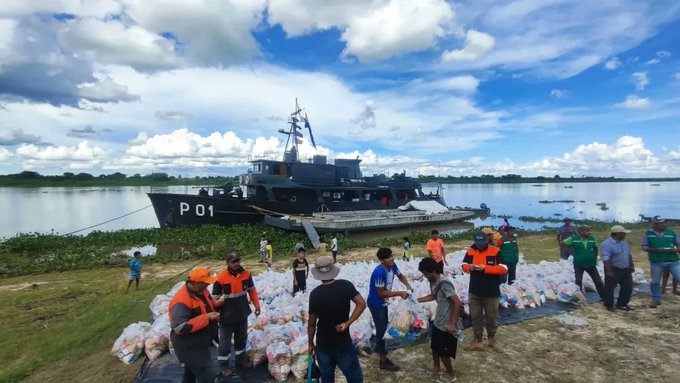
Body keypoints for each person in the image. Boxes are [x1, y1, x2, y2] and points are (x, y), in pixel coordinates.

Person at [308, 256, 366, 383]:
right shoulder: (346, 286)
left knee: (327, 377)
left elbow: (311, 323)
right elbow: (361, 304)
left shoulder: (315, 294)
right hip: (342, 340)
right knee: (354, 377)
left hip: (323, 342)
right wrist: (347, 323)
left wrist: (310, 343)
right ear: (333, 269)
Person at [169, 267, 226, 383]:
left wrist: (217, 303)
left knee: (189, 372)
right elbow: (179, 327)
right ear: (195, 283)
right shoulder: (181, 300)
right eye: (205, 283)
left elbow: (208, 303)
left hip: (200, 341)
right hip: (189, 345)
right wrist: (207, 317)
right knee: (207, 374)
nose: (207, 285)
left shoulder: (202, 291)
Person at [212, 253, 261, 376]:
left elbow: (252, 291)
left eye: (238, 261)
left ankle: (241, 360)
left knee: (241, 340)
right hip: (226, 317)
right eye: (233, 262)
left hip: (242, 314)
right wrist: (217, 307)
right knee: (225, 343)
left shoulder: (246, 274)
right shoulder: (220, 278)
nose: (236, 264)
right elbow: (214, 299)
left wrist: (257, 305)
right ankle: (224, 366)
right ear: (228, 263)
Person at [367, 248, 413, 372]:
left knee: (384, 326)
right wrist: (399, 293)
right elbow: (380, 293)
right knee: (381, 331)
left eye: (391, 256)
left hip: (383, 303)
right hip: (376, 303)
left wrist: (408, 286)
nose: (391, 259)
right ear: (382, 261)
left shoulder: (392, 266)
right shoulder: (379, 272)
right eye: (388, 257)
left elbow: (400, 275)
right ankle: (383, 361)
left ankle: (380, 348)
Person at [417, 257, 462, 383]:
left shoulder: (445, 284)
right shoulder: (433, 281)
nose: (425, 276)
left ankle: (450, 373)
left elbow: (457, 302)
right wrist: (417, 300)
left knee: (443, 351)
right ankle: (436, 367)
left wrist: (452, 323)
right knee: (435, 347)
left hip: (447, 323)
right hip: (438, 320)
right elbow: (434, 295)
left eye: (426, 274)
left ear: (433, 271)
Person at [461, 232, 507, 352]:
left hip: (491, 292)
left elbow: (504, 268)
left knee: (491, 317)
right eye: (477, 243)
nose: (479, 245)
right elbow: (464, 264)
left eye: (482, 243)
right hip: (474, 291)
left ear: (486, 241)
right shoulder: (471, 250)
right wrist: (468, 267)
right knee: (475, 317)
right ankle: (478, 340)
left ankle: (492, 339)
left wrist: (485, 268)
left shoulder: (495, 251)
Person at [642, 216, 680, 307]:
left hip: (672, 261)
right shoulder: (647, 234)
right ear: (654, 224)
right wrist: (655, 250)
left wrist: (677, 249)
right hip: (656, 262)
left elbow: (679, 244)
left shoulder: (672, 232)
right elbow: (644, 247)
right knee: (655, 282)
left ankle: (672, 291)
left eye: (664, 222)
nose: (664, 224)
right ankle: (656, 299)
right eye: (661, 223)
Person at [562, 225, 605, 299]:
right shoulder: (574, 239)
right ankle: (580, 299)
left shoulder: (592, 239)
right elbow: (563, 243)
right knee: (578, 281)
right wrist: (569, 251)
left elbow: (595, 248)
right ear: (581, 232)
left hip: (590, 264)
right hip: (579, 264)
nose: (589, 232)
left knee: (598, 281)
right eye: (587, 231)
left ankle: (604, 297)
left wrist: (594, 258)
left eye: (589, 231)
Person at [600, 225, 635, 311]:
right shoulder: (606, 244)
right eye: (623, 233)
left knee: (628, 287)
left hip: (625, 268)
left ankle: (622, 304)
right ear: (617, 234)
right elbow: (606, 258)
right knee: (610, 288)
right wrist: (608, 271)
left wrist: (631, 265)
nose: (625, 235)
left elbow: (628, 254)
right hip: (614, 268)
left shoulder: (624, 242)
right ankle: (609, 305)